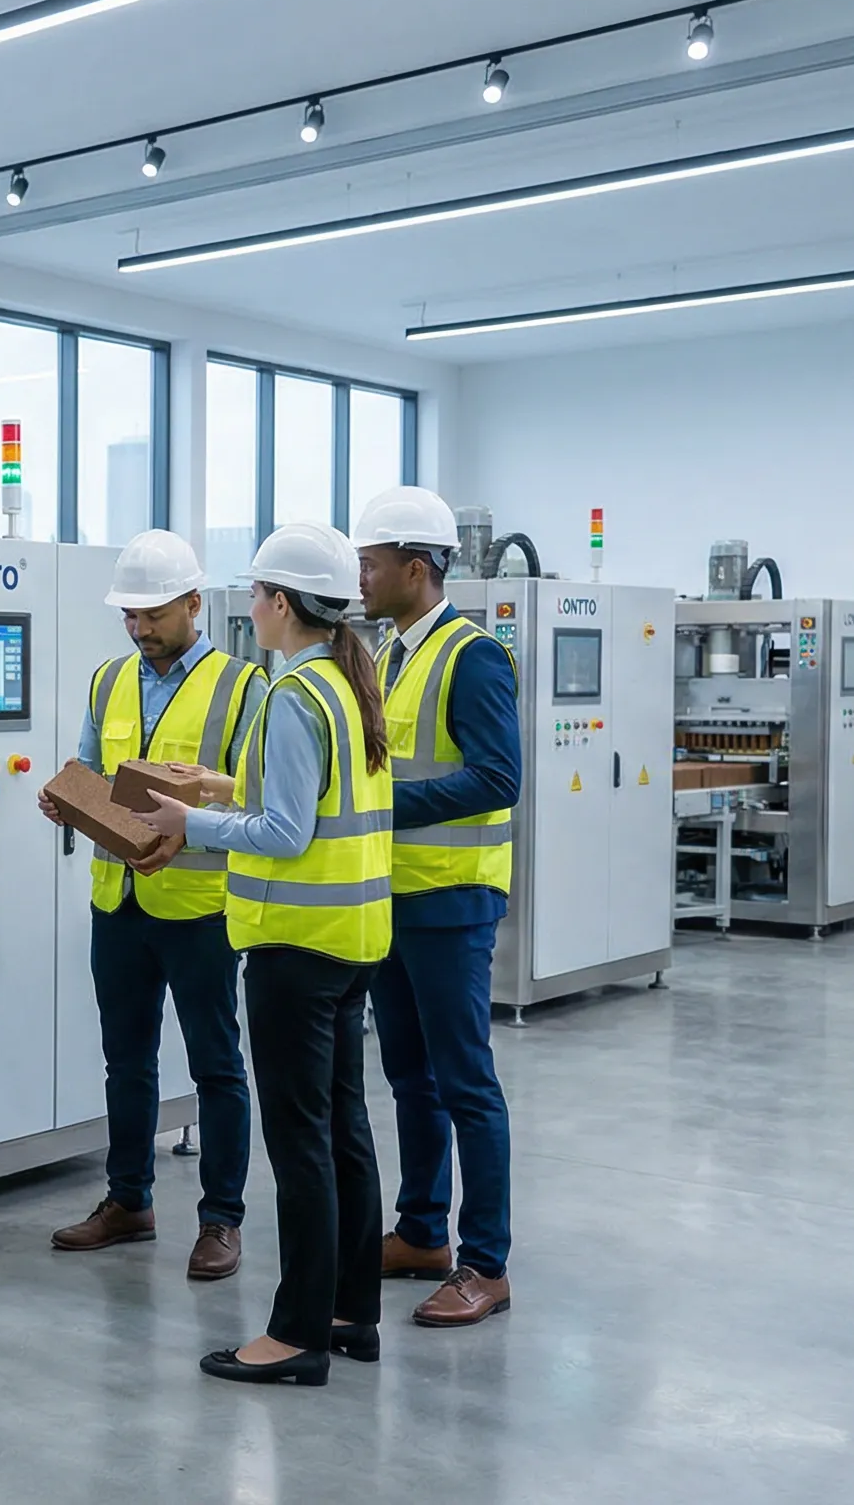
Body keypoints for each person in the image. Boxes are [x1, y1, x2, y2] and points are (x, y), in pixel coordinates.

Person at [132, 523, 392, 1387]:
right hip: (352, 940)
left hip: (295, 947)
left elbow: (286, 831)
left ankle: (296, 1334)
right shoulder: (345, 684)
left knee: (301, 1145)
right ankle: (351, 1313)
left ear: (280, 603)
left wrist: (190, 821)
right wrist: (222, 786)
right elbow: (313, 798)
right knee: (344, 1133)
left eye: (255, 593)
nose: (250, 606)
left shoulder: (291, 694)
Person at [39, 530, 259, 1277]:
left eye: (153, 614)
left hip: (201, 906)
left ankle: (221, 1219)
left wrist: (193, 816)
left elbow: (256, 796)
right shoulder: (109, 680)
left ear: (194, 603)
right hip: (119, 902)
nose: (138, 628)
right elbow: (92, 770)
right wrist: (68, 799)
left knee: (216, 1066)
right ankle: (128, 1200)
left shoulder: (243, 687)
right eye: (129, 615)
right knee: (126, 1062)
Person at [352, 488, 523, 1329]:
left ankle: (485, 1264)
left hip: (452, 900)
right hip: (394, 897)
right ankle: (422, 1232)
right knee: (409, 1077)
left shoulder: (472, 656)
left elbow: (498, 777)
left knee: (465, 1082)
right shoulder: (388, 654)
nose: (360, 577)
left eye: (371, 563)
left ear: (416, 568)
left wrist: (382, 806)